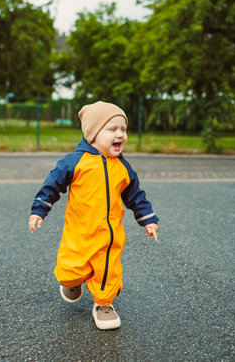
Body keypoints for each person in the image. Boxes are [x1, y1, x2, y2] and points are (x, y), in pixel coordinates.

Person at [29, 101, 159, 330]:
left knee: (108, 271)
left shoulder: (123, 167)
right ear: (92, 134)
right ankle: (73, 281)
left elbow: (135, 195)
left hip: (109, 237)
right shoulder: (75, 161)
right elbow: (52, 185)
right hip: (79, 234)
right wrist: (39, 210)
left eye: (123, 129)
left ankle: (104, 304)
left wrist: (148, 219)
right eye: (112, 129)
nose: (120, 134)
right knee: (69, 273)